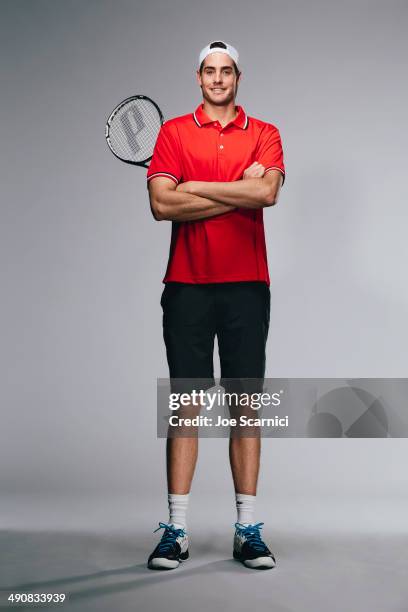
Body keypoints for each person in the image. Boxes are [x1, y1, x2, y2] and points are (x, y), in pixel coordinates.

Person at [146, 41, 285, 570]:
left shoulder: (266, 133)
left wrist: (196, 186)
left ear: (238, 77)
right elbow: (162, 204)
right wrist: (236, 186)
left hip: (247, 286)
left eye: (227, 71)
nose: (219, 78)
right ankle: (175, 532)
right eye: (210, 70)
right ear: (199, 76)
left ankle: (248, 529)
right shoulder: (173, 132)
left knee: (246, 406)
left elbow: (267, 195)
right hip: (187, 285)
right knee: (186, 407)